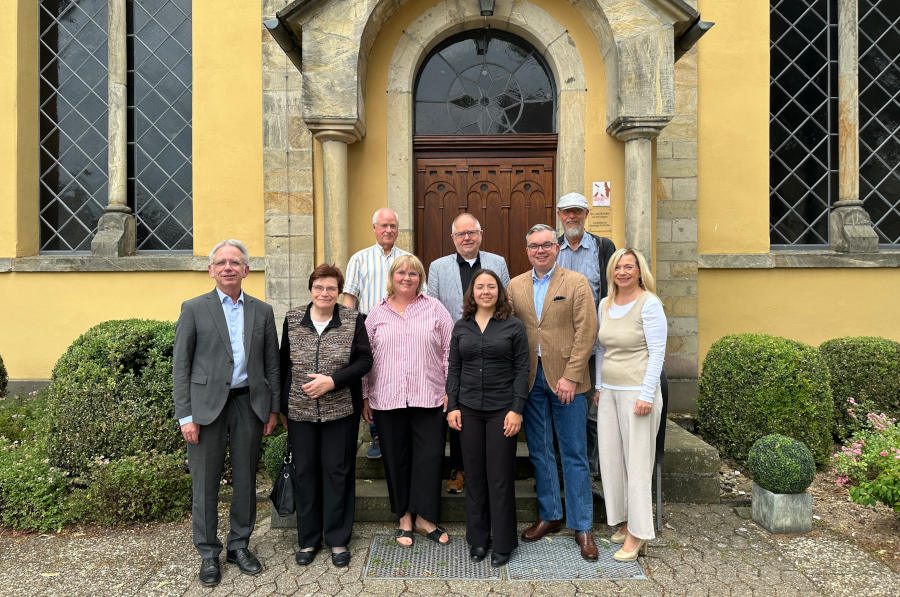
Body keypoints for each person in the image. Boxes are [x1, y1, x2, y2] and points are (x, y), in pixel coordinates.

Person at [173, 239, 281, 587]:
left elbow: (272, 365)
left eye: (235, 262)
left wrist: (273, 408)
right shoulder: (193, 308)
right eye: (221, 262)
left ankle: (239, 545)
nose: (228, 267)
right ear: (211, 270)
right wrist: (185, 416)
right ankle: (208, 553)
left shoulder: (262, 311)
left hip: (248, 403)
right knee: (204, 483)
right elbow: (181, 366)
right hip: (206, 408)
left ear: (246, 269)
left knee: (246, 478)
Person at [506, 224, 599, 562]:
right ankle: (550, 514)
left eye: (546, 244)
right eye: (534, 246)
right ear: (527, 250)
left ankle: (582, 524)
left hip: (567, 384)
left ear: (556, 248)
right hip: (531, 382)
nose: (540, 250)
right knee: (540, 452)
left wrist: (572, 377)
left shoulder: (575, 283)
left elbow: (586, 331)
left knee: (574, 453)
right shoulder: (515, 286)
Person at [280, 264, 372, 568]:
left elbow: (364, 361)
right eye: (319, 287)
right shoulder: (293, 319)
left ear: (339, 292)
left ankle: (336, 539)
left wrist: (333, 381)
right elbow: (283, 365)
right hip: (300, 412)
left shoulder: (352, 319)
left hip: (340, 411)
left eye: (331, 288)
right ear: (311, 289)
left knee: (338, 472)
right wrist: (283, 408)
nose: (324, 293)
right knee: (305, 473)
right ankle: (307, 539)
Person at [362, 254, 454, 547]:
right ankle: (404, 517)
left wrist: (451, 390)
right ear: (391, 277)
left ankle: (426, 518)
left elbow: (450, 352)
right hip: (387, 399)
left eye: (413, 273)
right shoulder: (376, 314)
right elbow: (366, 358)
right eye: (401, 272)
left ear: (420, 278)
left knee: (429, 459)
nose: (406, 277)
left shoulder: (435, 309)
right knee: (396, 459)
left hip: (429, 397)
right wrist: (365, 396)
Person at [446, 269, 529, 567]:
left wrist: (517, 409)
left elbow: (522, 370)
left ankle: (504, 542)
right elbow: (453, 368)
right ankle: (478, 540)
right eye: (479, 287)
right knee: (475, 476)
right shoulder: (461, 327)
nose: (485, 291)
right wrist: (452, 405)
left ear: (499, 292)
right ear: (472, 293)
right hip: (467, 410)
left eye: (491, 286)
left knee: (500, 476)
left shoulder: (514, 327)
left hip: (502, 410)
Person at [427, 212, 511, 494]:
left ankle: (489, 470)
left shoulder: (497, 263)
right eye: (461, 234)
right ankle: (459, 469)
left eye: (471, 232)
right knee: (458, 410)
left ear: (480, 234)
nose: (466, 238)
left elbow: (506, 301)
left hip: (493, 349)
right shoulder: (438, 267)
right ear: (453, 238)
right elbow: (433, 310)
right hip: (459, 350)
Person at [594, 247, 667, 562]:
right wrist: (598, 386)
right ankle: (625, 522)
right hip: (609, 392)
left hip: (638, 392)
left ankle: (639, 534)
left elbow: (658, 353)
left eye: (629, 267)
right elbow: (600, 349)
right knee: (612, 461)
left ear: (640, 271)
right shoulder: (605, 304)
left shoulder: (649, 304)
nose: (622, 272)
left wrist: (646, 394)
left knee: (637, 464)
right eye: (617, 267)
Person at [555, 192, 616, 476]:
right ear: (559, 215)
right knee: (562, 410)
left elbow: (612, 290)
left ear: (586, 215)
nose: (572, 217)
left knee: (593, 413)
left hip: (594, 347)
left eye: (577, 211)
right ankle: (563, 471)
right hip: (558, 348)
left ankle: (592, 472)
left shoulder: (603, 248)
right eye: (567, 212)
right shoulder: (551, 248)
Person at [344, 207, 409, 459]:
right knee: (373, 377)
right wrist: (349, 331)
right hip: (368, 324)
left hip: (401, 325)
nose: (388, 230)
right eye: (383, 226)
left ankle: (399, 431)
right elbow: (350, 297)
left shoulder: (407, 258)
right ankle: (377, 435)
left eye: (392, 226)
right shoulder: (359, 259)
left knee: (399, 374)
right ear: (374, 229)